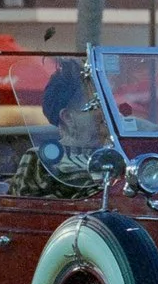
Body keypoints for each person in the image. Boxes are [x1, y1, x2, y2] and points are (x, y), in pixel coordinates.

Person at [8, 60, 108, 198]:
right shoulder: (40, 158)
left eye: (106, 105)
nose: (104, 113)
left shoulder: (115, 153)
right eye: (94, 106)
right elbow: (24, 207)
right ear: (67, 117)